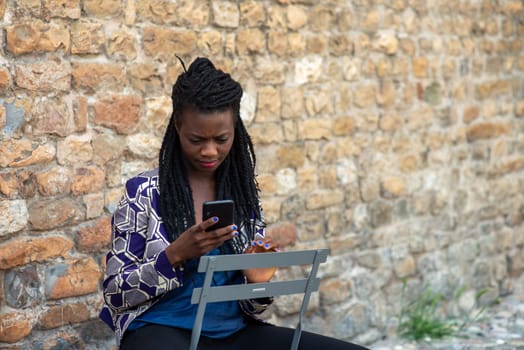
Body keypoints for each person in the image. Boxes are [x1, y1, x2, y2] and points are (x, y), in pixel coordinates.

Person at [99, 57, 368, 350]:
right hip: (160, 329)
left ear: (235, 129)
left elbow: (254, 308)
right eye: (197, 139)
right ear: (177, 126)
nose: (210, 150)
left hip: (232, 333)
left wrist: (257, 282)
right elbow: (115, 294)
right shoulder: (144, 193)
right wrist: (174, 255)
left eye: (221, 138)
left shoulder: (241, 195)